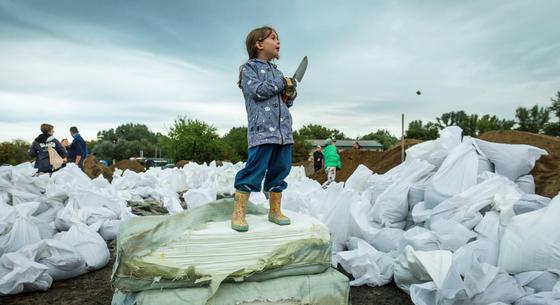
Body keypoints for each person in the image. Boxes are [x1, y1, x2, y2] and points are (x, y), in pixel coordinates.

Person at [231, 26, 298, 232]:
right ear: (259, 44)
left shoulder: (277, 72)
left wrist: (290, 92)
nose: (278, 42)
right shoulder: (248, 69)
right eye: (273, 38)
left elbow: (285, 103)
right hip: (262, 132)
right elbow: (258, 91)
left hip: (283, 133)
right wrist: (281, 83)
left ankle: (274, 211)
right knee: (254, 170)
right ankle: (239, 213)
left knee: (281, 170)